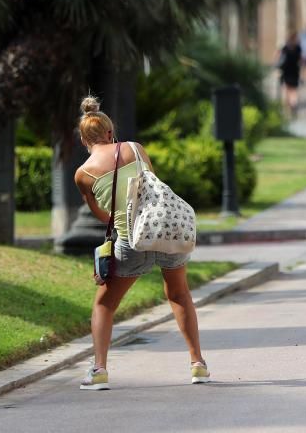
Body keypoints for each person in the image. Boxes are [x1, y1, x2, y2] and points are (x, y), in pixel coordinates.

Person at [73, 96, 209, 390]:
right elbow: (154, 190)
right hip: (163, 233)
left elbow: (100, 213)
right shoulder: (135, 149)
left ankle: (99, 371)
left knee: (105, 304)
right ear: (110, 133)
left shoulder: (82, 174)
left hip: (130, 241)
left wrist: (117, 211)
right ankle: (197, 364)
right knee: (178, 294)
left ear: (84, 139)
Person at [278, 32, 302, 118]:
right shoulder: (298, 48)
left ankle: (286, 110)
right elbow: (301, 61)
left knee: (286, 91)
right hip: (295, 72)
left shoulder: (285, 48)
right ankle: (294, 104)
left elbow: (278, 58)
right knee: (294, 91)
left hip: (286, 72)